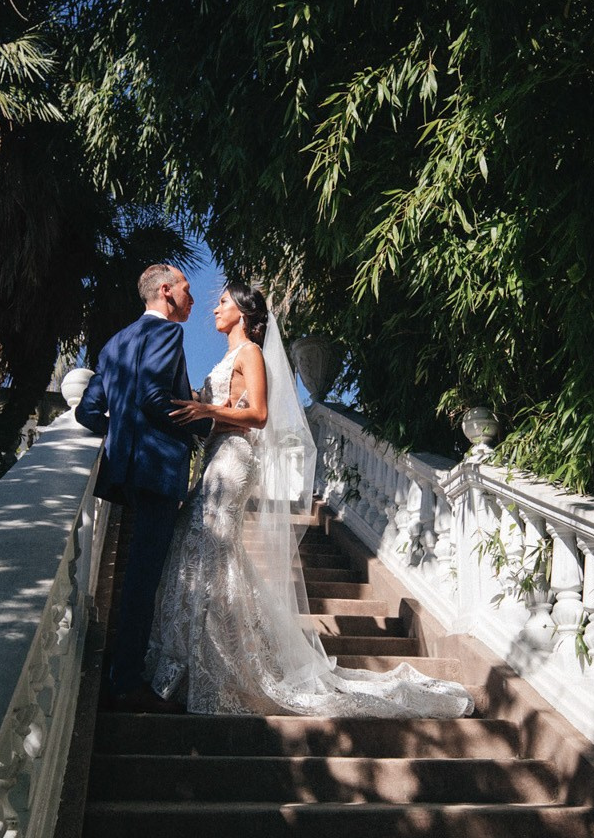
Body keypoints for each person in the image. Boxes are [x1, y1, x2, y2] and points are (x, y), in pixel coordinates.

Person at [144, 283, 472, 719]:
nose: (214, 308)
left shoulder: (251, 355)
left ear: (243, 313)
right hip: (214, 458)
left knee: (211, 550)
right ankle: (193, 662)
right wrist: (197, 409)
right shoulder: (226, 359)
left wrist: (209, 412)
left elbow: (258, 415)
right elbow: (217, 409)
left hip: (236, 458)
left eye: (222, 301)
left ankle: (216, 666)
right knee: (203, 552)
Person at [75, 264, 208, 711]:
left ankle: (123, 669)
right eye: (187, 291)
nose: (192, 300)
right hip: (158, 469)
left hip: (127, 473)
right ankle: (126, 680)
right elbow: (154, 396)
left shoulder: (115, 343)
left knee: (137, 574)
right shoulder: (169, 334)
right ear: (166, 292)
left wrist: (122, 435)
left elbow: (88, 412)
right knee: (142, 579)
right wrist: (199, 426)